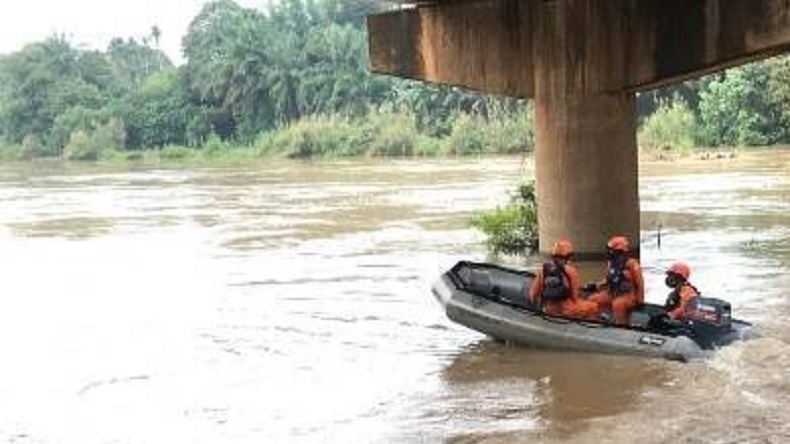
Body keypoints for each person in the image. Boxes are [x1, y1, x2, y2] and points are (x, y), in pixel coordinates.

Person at [528, 239, 598, 320]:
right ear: (568, 256)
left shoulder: (543, 269)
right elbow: (575, 296)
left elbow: (533, 295)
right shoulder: (571, 271)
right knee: (593, 306)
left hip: (547, 309)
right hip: (566, 310)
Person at [586, 235, 645, 325]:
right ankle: (597, 322)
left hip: (628, 295)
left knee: (618, 304)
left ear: (618, 251)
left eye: (611, 250)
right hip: (612, 293)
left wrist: (640, 300)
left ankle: (621, 326)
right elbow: (607, 280)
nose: (609, 252)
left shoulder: (632, 264)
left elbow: (640, 283)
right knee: (592, 299)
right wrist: (595, 285)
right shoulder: (611, 263)